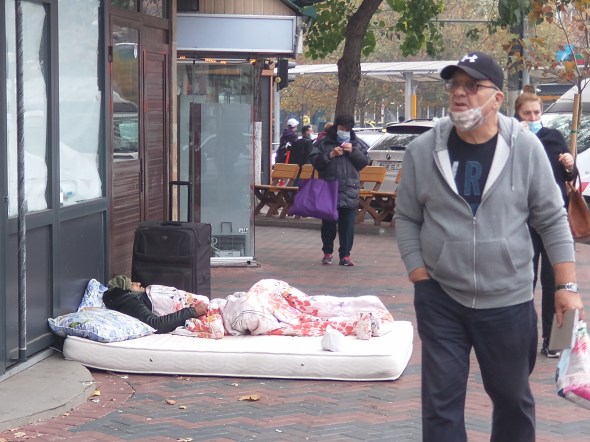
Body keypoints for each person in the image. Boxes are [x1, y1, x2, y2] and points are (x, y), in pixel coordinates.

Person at [394, 51, 584, 441]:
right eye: (454, 85)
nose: (459, 93)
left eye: (471, 85)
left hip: (508, 299)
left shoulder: (525, 148)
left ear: (496, 98)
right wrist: (418, 274)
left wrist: (566, 286)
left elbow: (551, 218)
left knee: (512, 400)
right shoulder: (423, 151)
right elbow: (407, 217)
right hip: (441, 297)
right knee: (440, 405)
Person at [514, 88, 577, 358]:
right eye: (527, 113)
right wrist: (515, 137)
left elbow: (570, 176)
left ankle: (553, 341)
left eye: (537, 113)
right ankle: (520, 338)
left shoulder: (553, 137)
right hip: (522, 220)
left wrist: (569, 164)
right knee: (523, 280)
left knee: (556, 282)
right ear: (517, 115)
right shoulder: (511, 138)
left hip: (553, 220)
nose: (532, 118)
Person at [309, 115, 369, 266]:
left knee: (347, 225)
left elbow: (364, 162)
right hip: (329, 187)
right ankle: (327, 252)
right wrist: (330, 155)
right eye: (341, 128)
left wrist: (352, 151)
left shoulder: (357, 143)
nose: (344, 132)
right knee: (328, 224)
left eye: (347, 129)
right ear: (336, 128)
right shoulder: (324, 143)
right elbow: (315, 161)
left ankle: (345, 255)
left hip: (349, 188)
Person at [103, 275, 208, 334]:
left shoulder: (136, 297)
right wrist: (192, 311)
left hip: (200, 305)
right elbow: (155, 324)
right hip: (198, 311)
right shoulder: (131, 303)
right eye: (131, 284)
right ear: (126, 292)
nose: (138, 283)